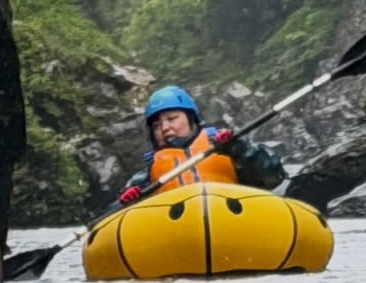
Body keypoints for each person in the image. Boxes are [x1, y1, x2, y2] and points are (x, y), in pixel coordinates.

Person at [117, 85, 285, 205]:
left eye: (172, 118)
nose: (165, 128)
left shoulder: (227, 147)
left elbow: (274, 177)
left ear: (192, 119)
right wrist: (131, 201)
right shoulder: (145, 176)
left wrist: (237, 148)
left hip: (234, 223)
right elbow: (118, 211)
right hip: (180, 237)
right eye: (156, 126)